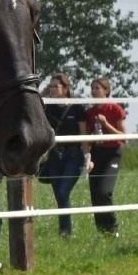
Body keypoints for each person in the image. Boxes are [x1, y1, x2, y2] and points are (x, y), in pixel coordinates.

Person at [38, 73, 90, 238]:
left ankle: (66, 231)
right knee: (59, 195)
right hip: (54, 155)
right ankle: (64, 231)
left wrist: (87, 156)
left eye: (56, 86)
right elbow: (29, 106)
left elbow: (83, 133)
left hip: (73, 156)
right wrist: (42, 94)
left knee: (62, 191)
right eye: (50, 86)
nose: (52, 89)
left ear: (65, 89)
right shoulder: (47, 106)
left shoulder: (77, 108)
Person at [86, 77, 127, 235]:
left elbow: (124, 136)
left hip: (112, 153)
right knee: (95, 193)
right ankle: (102, 231)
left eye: (98, 88)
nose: (94, 91)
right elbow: (87, 135)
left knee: (105, 192)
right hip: (97, 153)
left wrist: (106, 125)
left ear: (106, 91)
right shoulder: (90, 112)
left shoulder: (115, 109)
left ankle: (113, 227)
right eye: (93, 88)